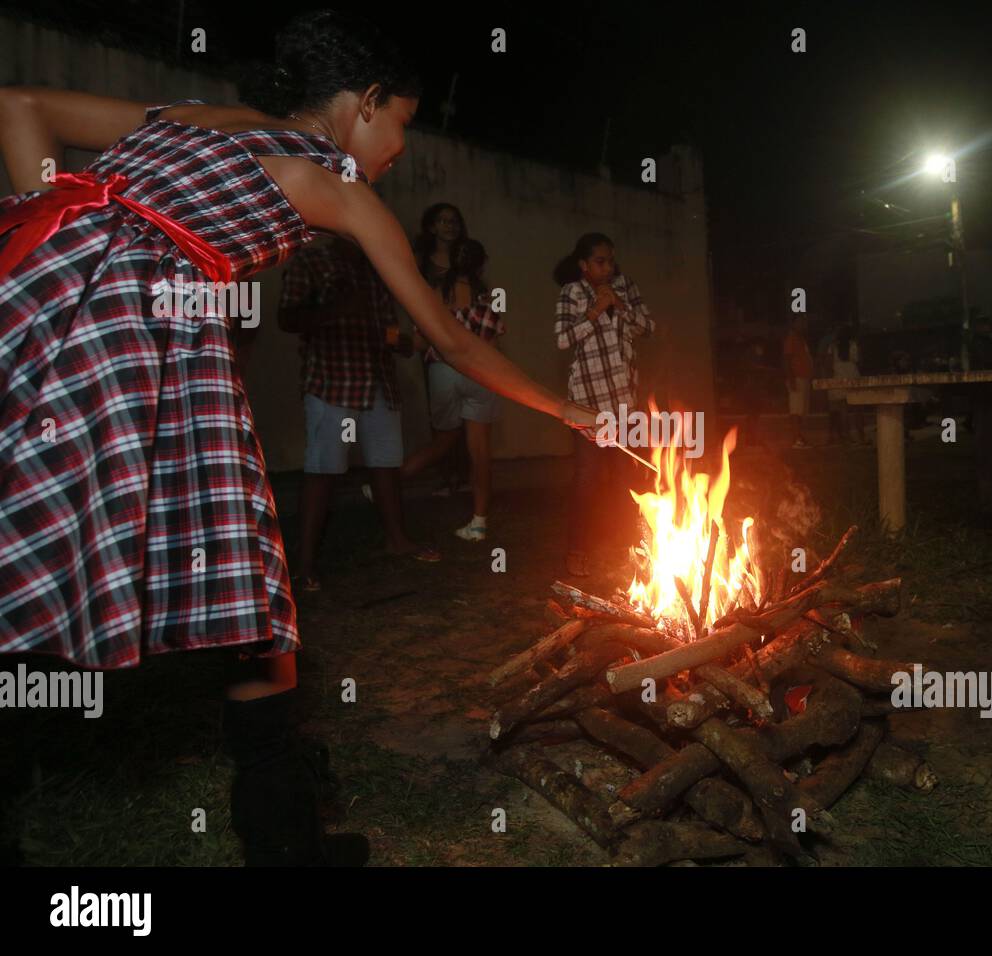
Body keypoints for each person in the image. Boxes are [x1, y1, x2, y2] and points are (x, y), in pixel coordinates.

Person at [0, 10, 596, 866]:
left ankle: (282, 839)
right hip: (133, 343)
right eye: (402, 124)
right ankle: (284, 849)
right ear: (368, 103)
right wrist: (569, 411)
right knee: (249, 600)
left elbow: (18, 103)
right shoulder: (338, 187)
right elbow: (452, 341)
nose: (400, 147)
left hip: (31, 294)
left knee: (37, 553)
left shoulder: (201, 114)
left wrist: (71, 236)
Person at [279, 235, 438, 592]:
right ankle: (304, 564)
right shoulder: (310, 260)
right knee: (323, 469)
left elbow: (385, 325)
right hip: (331, 382)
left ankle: (397, 539)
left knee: (385, 464)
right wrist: (339, 309)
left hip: (378, 380)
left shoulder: (376, 263)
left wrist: (401, 341)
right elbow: (286, 318)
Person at [554, 233, 654, 578]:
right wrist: (596, 310)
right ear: (583, 265)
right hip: (588, 404)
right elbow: (563, 339)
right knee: (588, 478)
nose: (607, 267)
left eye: (610, 260)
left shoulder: (626, 287)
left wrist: (620, 306)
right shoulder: (572, 292)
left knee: (627, 478)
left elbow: (648, 328)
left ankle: (631, 547)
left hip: (625, 401)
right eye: (600, 261)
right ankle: (577, 550)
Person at [404, 237, 503, 541]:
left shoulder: (434, 293)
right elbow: (495, 340)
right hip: (482, 372)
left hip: (444, 370)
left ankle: (385, 483)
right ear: (482, 264)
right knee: (480, 452)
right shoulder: (491, 295)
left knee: (444, 440)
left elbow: (420, 340)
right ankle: (479, 521)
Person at [411, 203, 472, 496]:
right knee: (444, 418)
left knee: (469, 417)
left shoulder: (465, 262)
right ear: (432, 227)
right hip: (434, 345)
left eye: (454, 220)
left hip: (467, 346)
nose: (450, 226)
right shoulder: (421, 265)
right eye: (443, 221)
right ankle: (446, 477)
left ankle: (462, 476)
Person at [826, 325, 865, 444]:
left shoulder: (832, 346)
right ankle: (860, 433)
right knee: (858, 408)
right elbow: (859, 360)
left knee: (844, 410)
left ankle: (846, 435)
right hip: (853, 376)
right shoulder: (853, 345)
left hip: (839, 378)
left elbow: (828, 362)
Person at [783, 315, 814, 448]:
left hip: (803, 378)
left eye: (805, 322)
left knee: (802, 410)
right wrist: (791, 379)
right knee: (796, 410)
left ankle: (801, 437)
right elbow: (787, 360)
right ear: (794, 323)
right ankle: (797, 439)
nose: (804, 325)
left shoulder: (801, 339)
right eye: (801, 322)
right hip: (797, 378)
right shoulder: (792, 339)